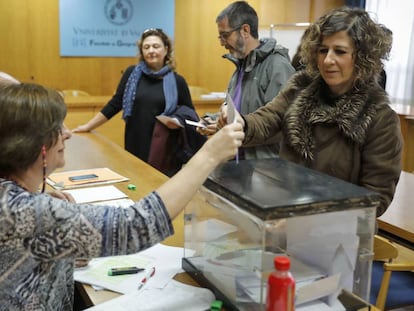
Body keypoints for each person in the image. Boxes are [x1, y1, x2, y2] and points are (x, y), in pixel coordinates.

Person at [0, 82, 243, 310]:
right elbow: (137, 224)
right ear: (34, 144)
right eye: (58, 128)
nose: (67, 134)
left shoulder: (14, 199)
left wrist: (65, 245)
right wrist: (209, 155)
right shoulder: (25, 212)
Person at [219, 6, 402, 217]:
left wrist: (318, 216)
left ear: (362, 57)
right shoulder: (300, 89)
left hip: (338, 234)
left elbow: (376, 196)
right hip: (286, 220)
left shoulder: (380, 118)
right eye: (323, 50)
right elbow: (270, 117)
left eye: (340, 51)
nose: (327, 60)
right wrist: (242, 123)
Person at [73, 28, 205, 177]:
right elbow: (115, 104)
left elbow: (190, 114)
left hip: (165, 148)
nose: (151, 51)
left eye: (156, 46)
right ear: (141, 51)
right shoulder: (132, 74)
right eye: (146, 47)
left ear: (166, 49)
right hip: (136, 142)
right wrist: (88, 126)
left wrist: (182, 122)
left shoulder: (177, 81)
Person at [209, 1, 295, 159]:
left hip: (266, 170)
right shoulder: (240, 68)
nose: (221, 43)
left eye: (225, 35)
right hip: (239, 166)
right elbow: (237, 113)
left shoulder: (277, 66)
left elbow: (282, 124)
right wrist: (212, 121)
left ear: (245, 30)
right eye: (220, 37)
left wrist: (241, 129)